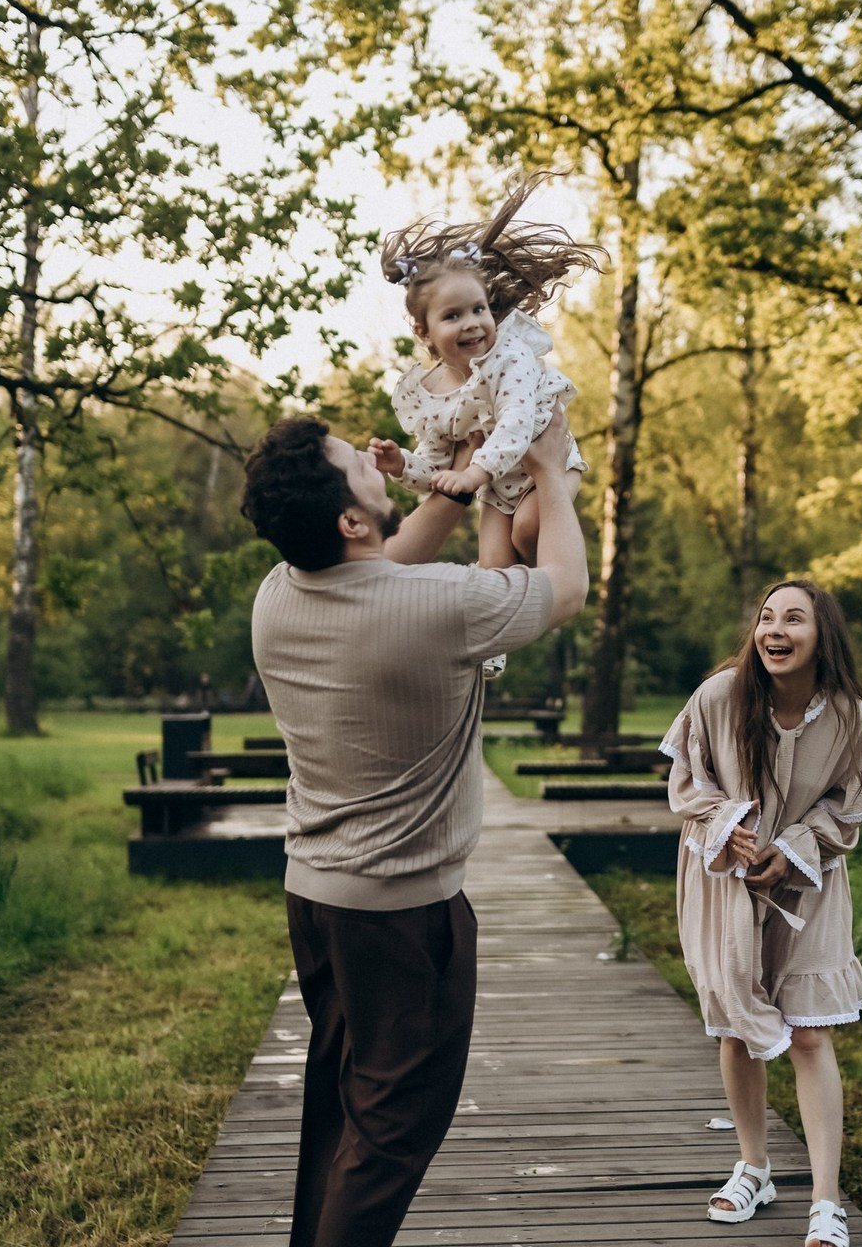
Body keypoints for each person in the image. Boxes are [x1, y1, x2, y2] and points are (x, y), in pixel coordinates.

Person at [240, 410, 588, 1247]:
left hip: (315, 902)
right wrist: (551, 475)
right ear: (352, 521)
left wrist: (467, 470)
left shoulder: (280, 593)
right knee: (394, 1131)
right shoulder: (443, 607)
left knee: (341, 1105)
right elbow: (566, 590)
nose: (370, 457)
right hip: (403, 918)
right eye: (354, 464)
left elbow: (389, 563)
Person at [660, 581, 862, 1247]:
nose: (775, 629)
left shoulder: (850, 717)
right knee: (738, 1030)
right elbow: (686, 782)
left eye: (794, 618)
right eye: (767, 618)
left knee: (808, 1033)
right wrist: (728, 825)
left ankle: (826, 1201)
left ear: (820, 635)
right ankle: (755, 1166)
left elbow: (848, 802)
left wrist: (797, 845)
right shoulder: (719, 697)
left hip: (811, 884)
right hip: (723, 879)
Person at [371, 171, 604, 586]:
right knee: (493, 571)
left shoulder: (509, 357)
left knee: (526, 529)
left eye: (479, 309)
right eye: (453, 316)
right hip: (495, 485)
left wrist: (472, 476)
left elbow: (514, 425)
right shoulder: (429, 395)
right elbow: (438, 469)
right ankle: (490, 652)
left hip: (545, 464)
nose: (473, 324)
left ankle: (558, 578)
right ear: (424, 333)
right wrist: (401, 464)